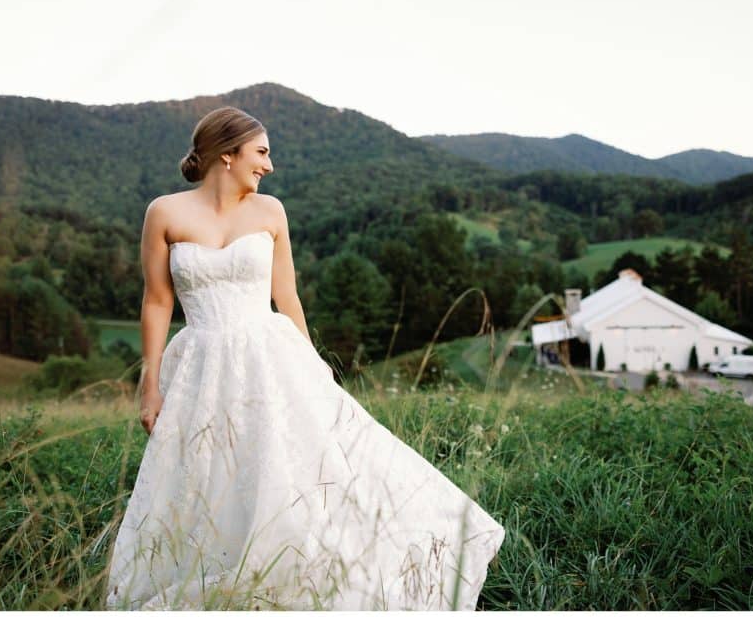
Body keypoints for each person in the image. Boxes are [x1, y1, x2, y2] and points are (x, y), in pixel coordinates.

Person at [104, 106, 505, 610]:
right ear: (226, 154)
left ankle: (305, 565)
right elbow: (158, 302)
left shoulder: (270, 212)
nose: (269, 166)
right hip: (200, 365)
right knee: (207, 476)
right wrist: (151, 383)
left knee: (295, 467)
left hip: (271, 356)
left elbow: (286, 298)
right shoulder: (164, 212)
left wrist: (314, 370)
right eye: (262, 153)